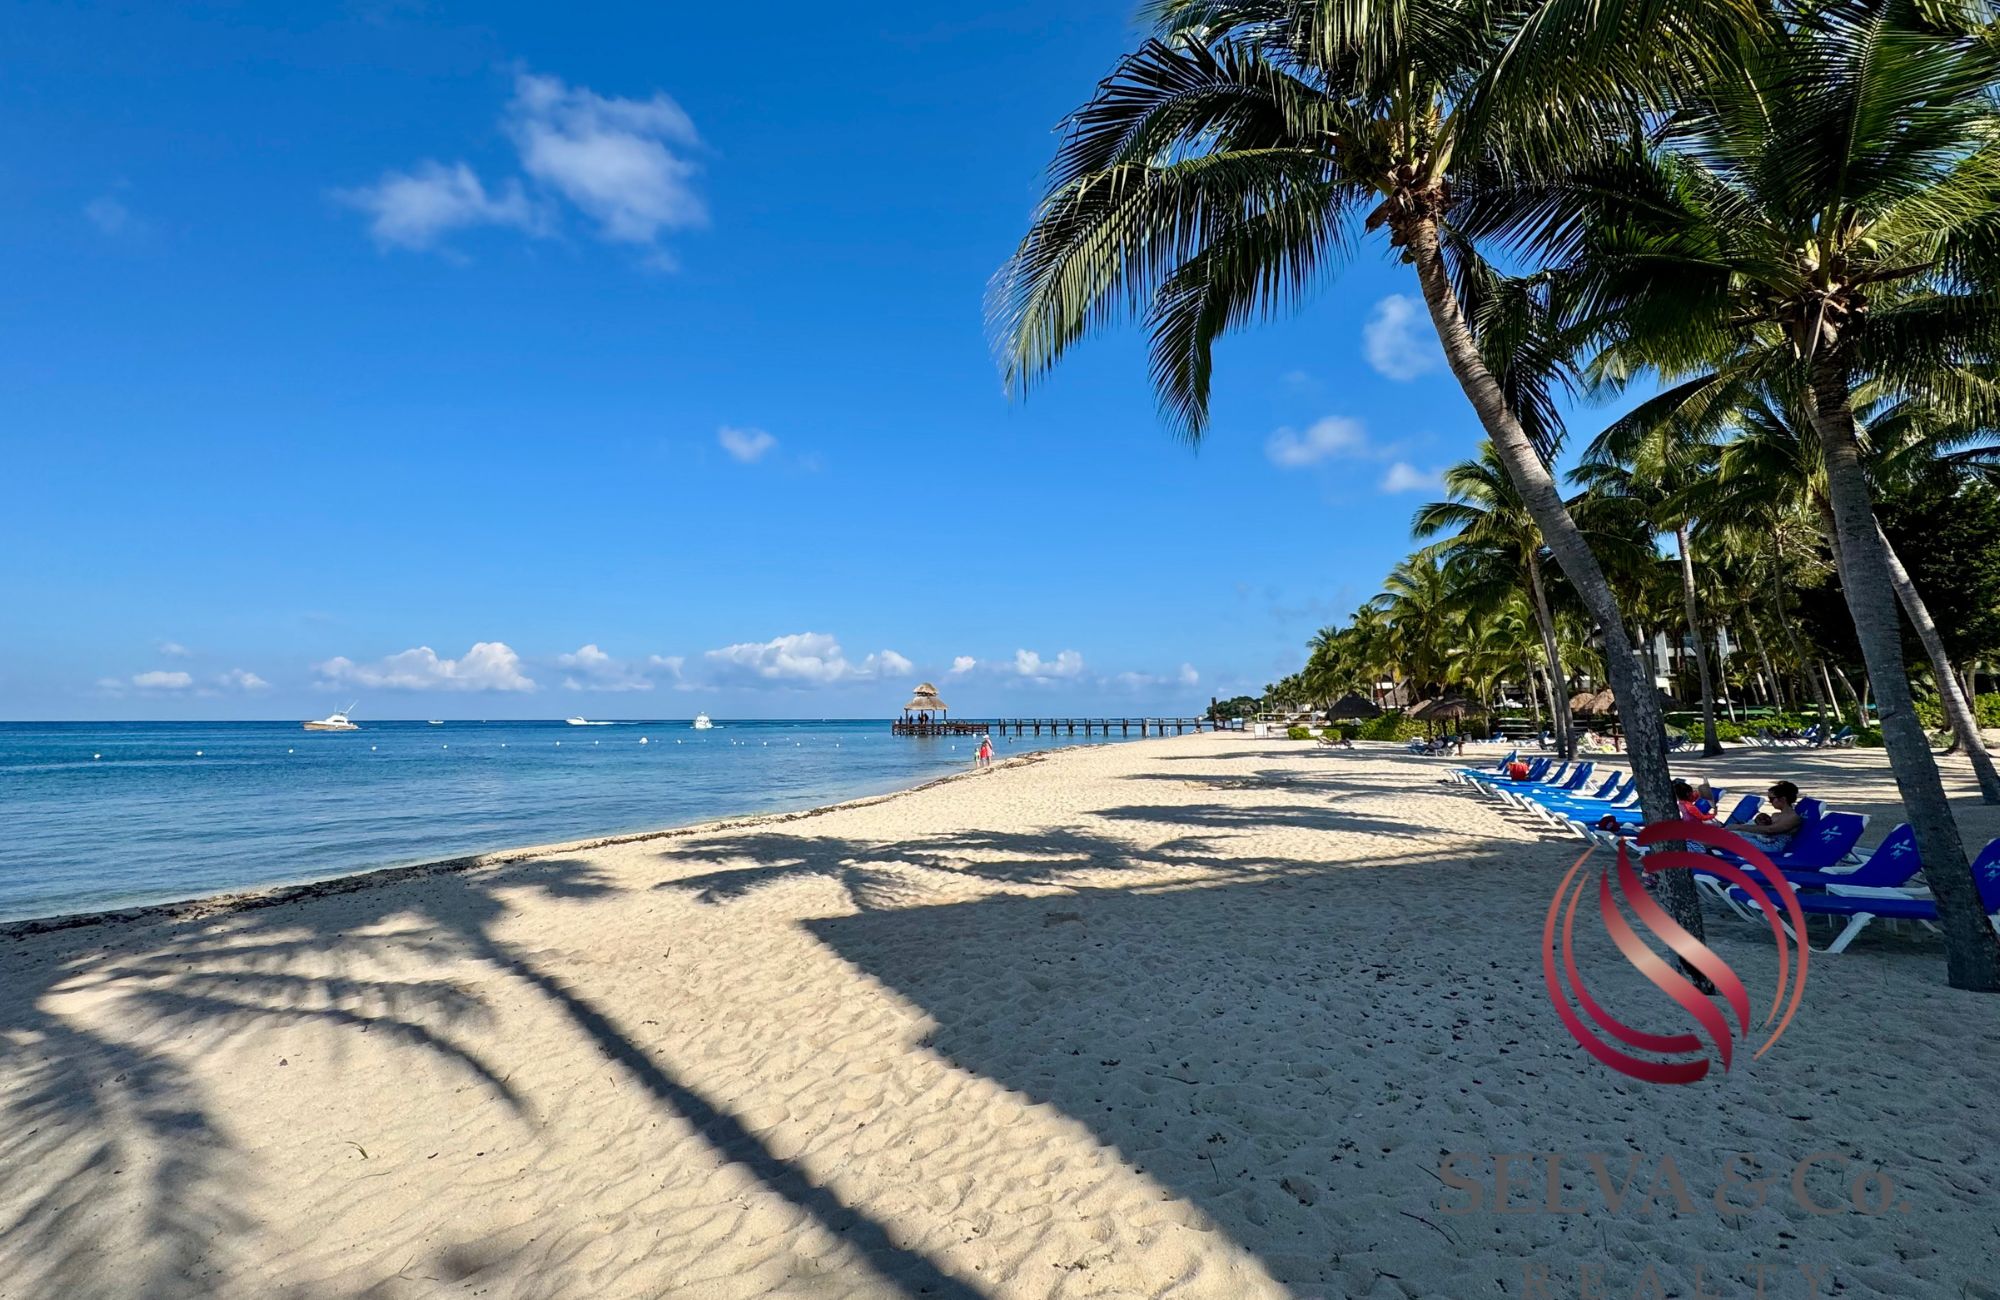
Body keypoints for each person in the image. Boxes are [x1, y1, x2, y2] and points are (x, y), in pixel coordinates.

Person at [1739, 781, 1805, 850]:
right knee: (1733, 836)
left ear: (1783, 799)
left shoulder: (1793, 817)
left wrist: (1739, 827)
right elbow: (1764, 829)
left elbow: (1770, 830)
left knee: (1736, 840)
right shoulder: (1775, 815)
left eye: (1771, 799)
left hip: (1773, 846)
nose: (1770, 802)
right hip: (1764, 841)